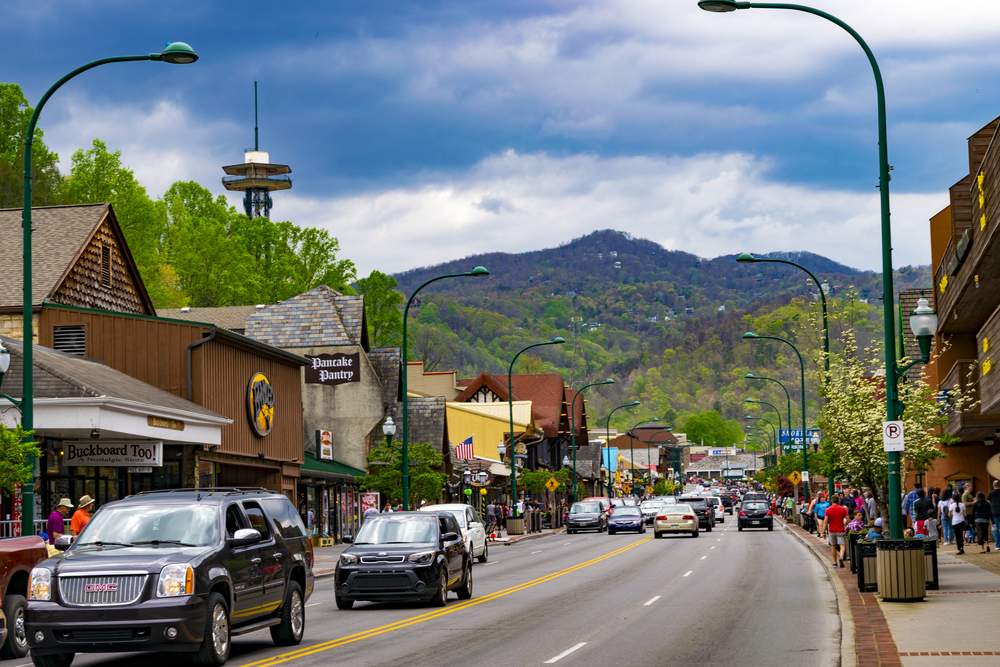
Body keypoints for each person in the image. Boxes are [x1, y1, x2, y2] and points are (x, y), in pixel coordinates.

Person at [824, 493, 849, 568]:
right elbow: (848, 519)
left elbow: (825, 521)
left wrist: (823, 531)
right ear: (839, 501)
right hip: (840, 529)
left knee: (833, 546)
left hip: (832, 530)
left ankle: (835, 562)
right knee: (842, 545)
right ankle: (841, 557)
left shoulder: (828, 509)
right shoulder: (843, 509)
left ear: (831, 501)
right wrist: (844, 524)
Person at [987, 480, 1000, 550]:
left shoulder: (990, 493)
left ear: (993, 485)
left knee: (995, 529)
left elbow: (988, 502)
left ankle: (998, 544)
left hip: (994, 513)